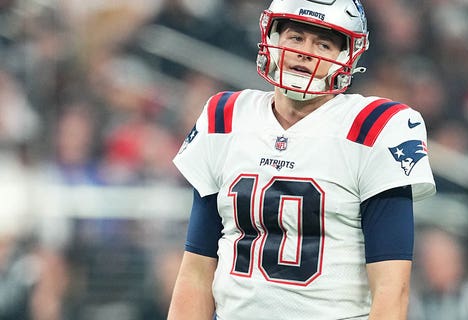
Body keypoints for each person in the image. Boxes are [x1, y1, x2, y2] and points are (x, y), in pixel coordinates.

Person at [167, 0, 436, 319]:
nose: (305, 51)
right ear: (273, 38)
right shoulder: (225, 118)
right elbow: (196, 271)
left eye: (323, 43)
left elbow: (392, 288)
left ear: (346, 57)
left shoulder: (375, 129)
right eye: (295, 37)